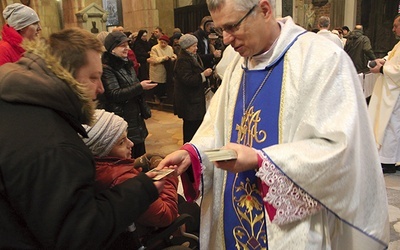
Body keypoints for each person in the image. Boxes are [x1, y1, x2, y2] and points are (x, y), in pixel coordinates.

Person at [158, 0, 389, 249]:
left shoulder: (321, 59)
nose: (225, 39)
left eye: (232, 26)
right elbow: (216, 128)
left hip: (290, 225)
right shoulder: (238, 65)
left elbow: (342, 150)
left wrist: (262, 160)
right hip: (232, 216)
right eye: (219, 29)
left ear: (265, 10)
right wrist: (193, 154)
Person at [0, 27, 164, 248]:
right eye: (93, 77)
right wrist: (143, 188)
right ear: (66, 74)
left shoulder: (15, 101)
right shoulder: (54, 144)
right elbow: (79, 233)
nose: (101, 88)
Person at [82, 109, 179, 237]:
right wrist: (168, 176)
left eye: (127, 137)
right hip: (144, 233)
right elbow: (165, 215)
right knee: (192, 210)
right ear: (103, 151)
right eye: (121, 142)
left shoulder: (95, 167)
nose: (131, 143)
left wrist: (137, 163)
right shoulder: (122, 179)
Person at [101, 31, 156, 158]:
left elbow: (133, 86)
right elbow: (114, 94)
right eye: (122, 45)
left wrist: (141, 87)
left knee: (141, 155)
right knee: (130, 158)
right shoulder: (107, 68)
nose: (127, 48)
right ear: (112, 49)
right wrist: (140, 86)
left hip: (135, 115)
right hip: (123, 116)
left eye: (127, 45)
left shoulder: (127, 64)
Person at [368, 14, 400, 174]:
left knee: (392, 125)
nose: (393, 29)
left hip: (396, 95)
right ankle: (388, 158)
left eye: (396, 26)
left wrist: (381, 68)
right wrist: (383, 61)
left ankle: (389, 161)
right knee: (388, 124)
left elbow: (398, 70)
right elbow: (392, 58)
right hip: (390, 91)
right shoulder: (398, 45)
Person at [174, 34, 213, 143]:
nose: (196, 48)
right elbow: (187, 80)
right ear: (186, 47)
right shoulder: (183, 60)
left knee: (196, 126)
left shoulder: (192, 56)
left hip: (194, 99)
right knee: (190, 129)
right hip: (189, 101)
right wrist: (203, 75)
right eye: (193, 46)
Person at [148, 35, 177, 103]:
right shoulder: (154, 48)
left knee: (164, 85)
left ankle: (163, 98)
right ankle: (156, 97)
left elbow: (173, 55)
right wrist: (164, 58)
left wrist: (173, 57)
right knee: (157, 86)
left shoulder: (169, 48)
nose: (163, 44)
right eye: (161, 42)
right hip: (157, 70)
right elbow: (153, 59)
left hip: (166, 70)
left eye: (165, 43)